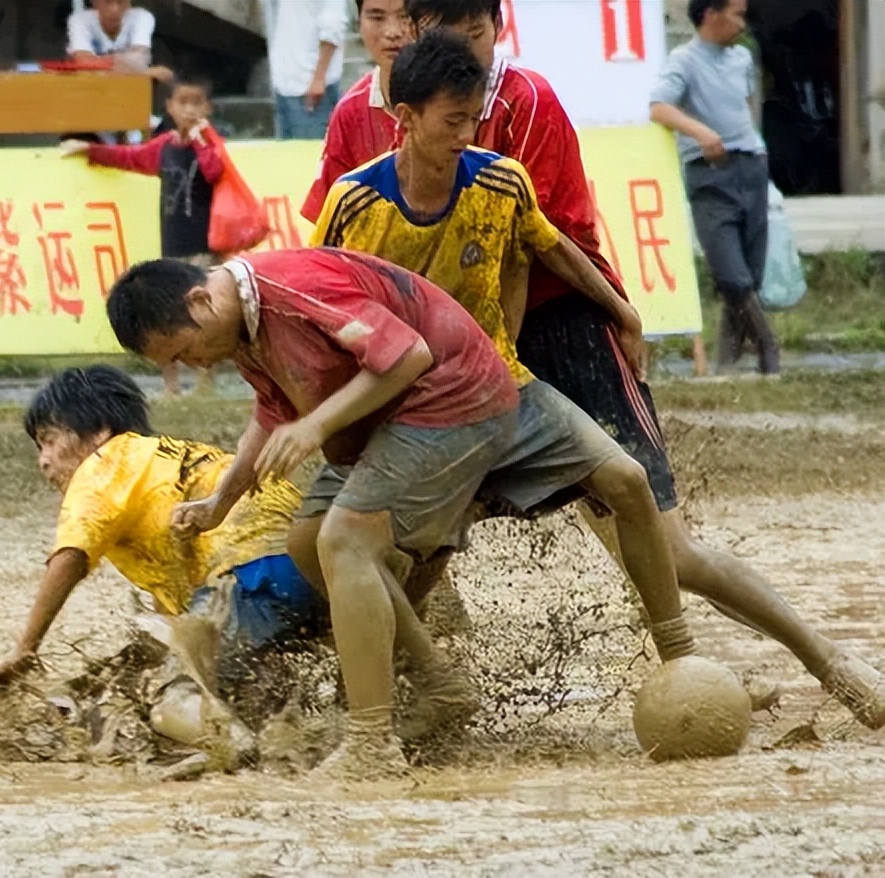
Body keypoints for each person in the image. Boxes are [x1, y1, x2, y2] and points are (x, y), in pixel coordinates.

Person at [408, 0, 883, 729]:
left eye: (471, 34)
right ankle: (408, 700)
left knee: (666, 552)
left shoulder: (526, 101)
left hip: (560, 331)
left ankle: (830, 664)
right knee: (409, 541)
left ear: (496, 27)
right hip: (461, 350)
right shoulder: (377, 117)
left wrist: (621, 315)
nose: (461, 58)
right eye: (438, 36)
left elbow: (529, 245)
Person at [105, 248, 702, 776]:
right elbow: (270, 414)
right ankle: (436, 682)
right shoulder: (245, 328)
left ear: (200, 301)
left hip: (450, 395)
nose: (195, 366)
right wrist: (220, 501)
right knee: (307, 541)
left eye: (185, 351)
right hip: (391, 419)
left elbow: (408, 356)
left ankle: (371, 742)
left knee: (344, 542)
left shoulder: (288, 287)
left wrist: (314, 424)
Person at [0, 365, 325, 755]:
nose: (43, 460)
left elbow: (70, 557)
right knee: (229, 679)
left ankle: (249, 755)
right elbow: (180, 622)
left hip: (252, 570)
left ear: (99, 433)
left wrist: (25, 649)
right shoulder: (161, 465)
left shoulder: (105, 463)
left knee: (169, 704)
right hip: (315, 566)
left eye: (49, 440)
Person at [60, 74, 222, 397]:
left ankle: (205, 380)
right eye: (182, 102)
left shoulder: (211, 143)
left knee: (202, 312)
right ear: (169, 107)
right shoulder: (163, 147)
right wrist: (89, 149)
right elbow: (128, 157)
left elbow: (215, 170)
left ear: (208, 107)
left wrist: (202, 137)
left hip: (204, 242)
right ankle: (171, 384)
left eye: (196, 102)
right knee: (164, 313)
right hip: (172, 244)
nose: (189, 109)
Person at [649, 0, 779, 376]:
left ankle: (727, 364)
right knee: (731, 274)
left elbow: (746, 108)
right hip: (710, 173)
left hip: (750, 165)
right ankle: (768, 346)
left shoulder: (741, 59)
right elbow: (659, 106)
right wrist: (701, 132)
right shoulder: (684, 60)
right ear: (711, 14)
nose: (742, 23)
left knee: (751, 273)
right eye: (736, 14)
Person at [300, 0, 409, 223]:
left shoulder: (460, 102)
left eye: (405, 17)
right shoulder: (350, 112)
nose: (393, 32)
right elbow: (328, 219)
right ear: (359, 22)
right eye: (377, 18)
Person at [258, 0, 348, 140]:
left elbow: (334, 26)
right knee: (288, 158)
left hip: (310, 89)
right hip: (284, 86)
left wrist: (319, 78)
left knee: (311, 157)